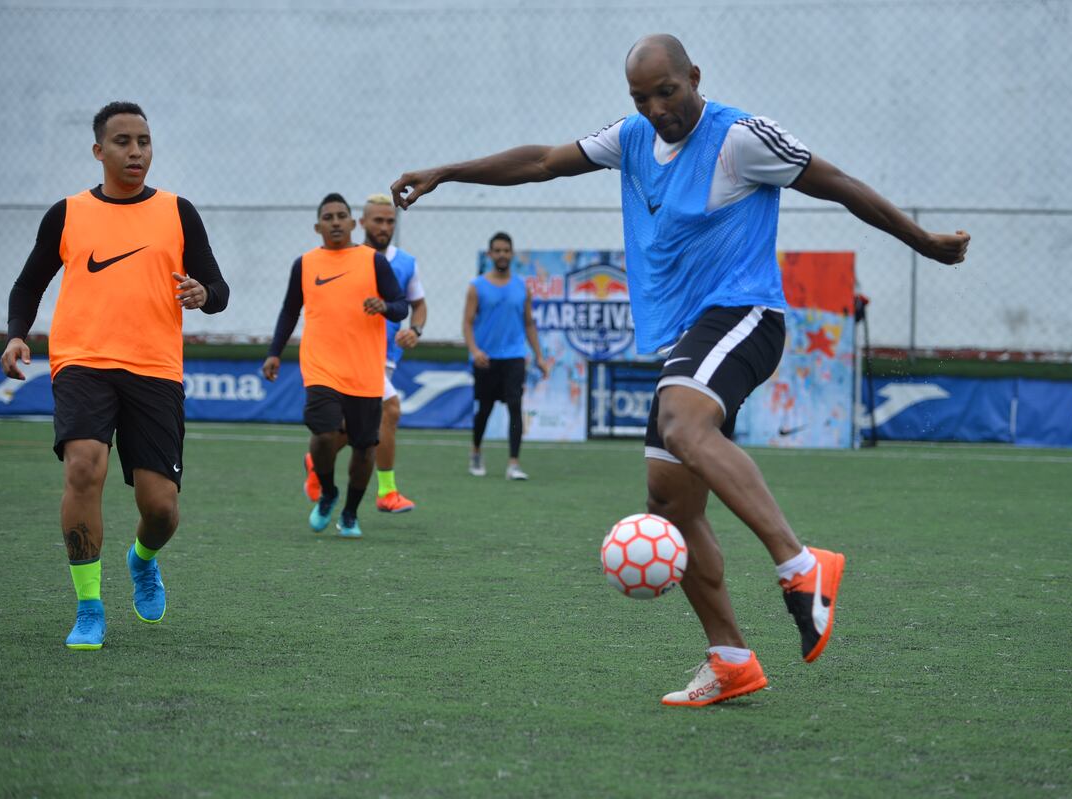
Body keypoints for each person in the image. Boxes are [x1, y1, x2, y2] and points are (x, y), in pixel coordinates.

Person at [391, 34, 970, 706]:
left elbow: (839, 185)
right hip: (689, 337)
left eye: (667, 91)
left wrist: (922, 241)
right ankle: (731, 659)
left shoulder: (741, 139)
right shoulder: (632, 136)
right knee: (670, 503)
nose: (656, 108)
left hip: (746, 315)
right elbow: (544, 161)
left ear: (694, 76)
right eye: (642, 98)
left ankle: (801, 563)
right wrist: (447, 171)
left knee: (682, 423)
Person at [0, 101, 231, 650]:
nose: (136, 152)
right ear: (98, 150)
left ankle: (142, 559)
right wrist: (15, 334)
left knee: (161, 508)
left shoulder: (178, 212)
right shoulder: (68, 213)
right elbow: (28, 283)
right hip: (83, 362)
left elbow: (219, 290)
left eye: (144, 142)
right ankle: (89, 607)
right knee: (84, 467)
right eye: (123, 142)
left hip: (155, 369)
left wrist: (203, 293)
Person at [263, 194, 408, 538]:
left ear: (353, 223)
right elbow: (289, 310)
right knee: (324, 435)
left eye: (342, 216)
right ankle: (328, 492)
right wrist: (274, 352)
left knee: (364, 448)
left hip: (364, 370)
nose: (336, 222)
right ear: (318, 227)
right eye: (328, 217)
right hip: (321, 368)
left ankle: (350, 512)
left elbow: (401, 306)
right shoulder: (304, 264)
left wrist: (385, 307)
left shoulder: (373, 261)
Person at [301, 194, 427, 514]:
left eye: (390, 221)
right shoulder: (347, 258)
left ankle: (317, 461)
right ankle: (386, 491)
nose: (384, 227)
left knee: (355, 429)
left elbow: (417, 304)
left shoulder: (406, 262)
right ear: (362, 223)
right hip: (352, 357)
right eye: (378, 221)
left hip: (386, 357)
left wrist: (415, 330)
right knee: (391, 410)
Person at [462, 232, 549, 480]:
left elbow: (529, 323)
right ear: (490, 254)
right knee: (484, 409)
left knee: (515, 406)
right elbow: (467, 323)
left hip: (514, 356)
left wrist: (539, 356)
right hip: (486, 359)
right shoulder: (477, 286)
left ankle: (513, 464)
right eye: (497, 250)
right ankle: (476, 452)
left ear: (512, 254)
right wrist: (475, 351)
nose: (502, 255)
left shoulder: (522, 286)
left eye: (506, 250)